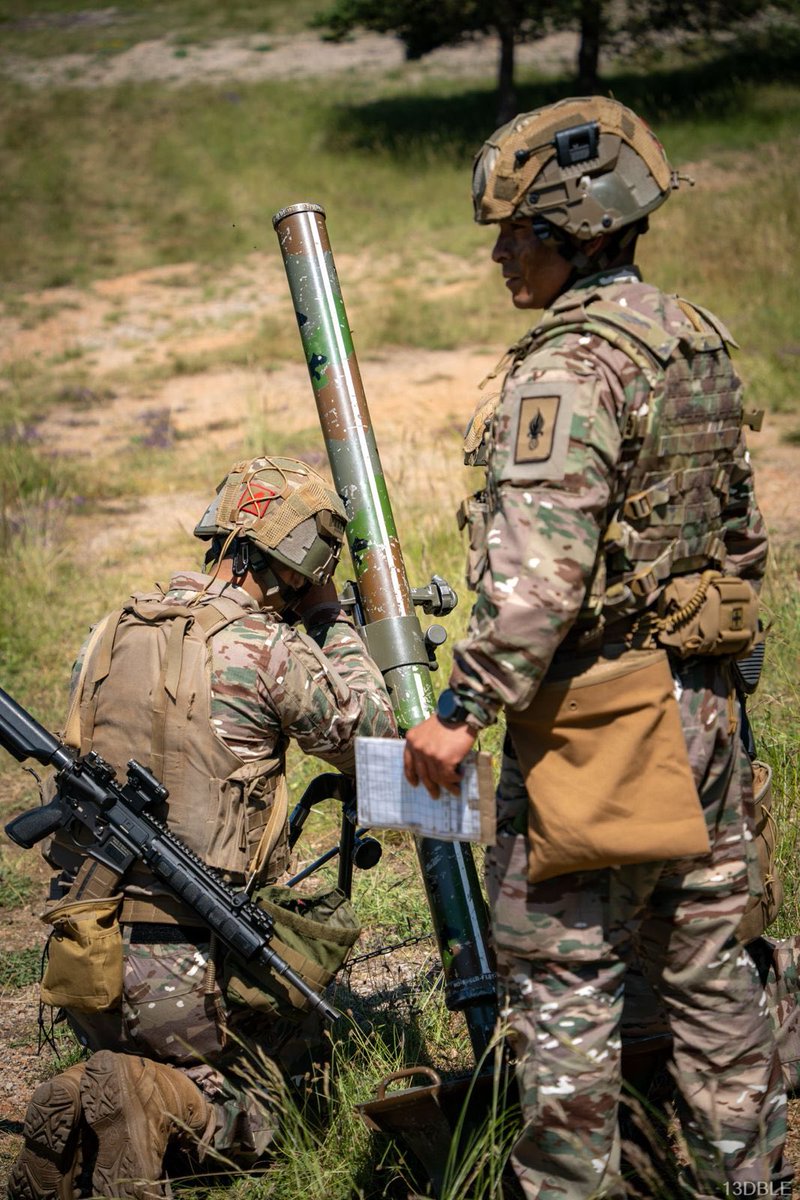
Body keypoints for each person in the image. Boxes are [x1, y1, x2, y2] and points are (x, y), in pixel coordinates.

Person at [404, 97, 790, 1198]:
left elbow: (537, 584)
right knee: (713, 984)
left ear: (575, 232)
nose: (496, 256)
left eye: (513, 234)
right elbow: (736, 536)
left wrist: (457, 712)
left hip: (596, 729)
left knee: (564, 993)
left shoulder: (566, 369)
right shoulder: (690, 337)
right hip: (704, 709)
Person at [10, 454, 396, 1199]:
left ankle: (92, 1098)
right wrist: (331, 619)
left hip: (86, 949)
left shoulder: (113, 626)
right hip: (191, 970)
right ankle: (167, 1100)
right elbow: (374, 738)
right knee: (270, 1115)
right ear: (298, 563)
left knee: (138, 1065)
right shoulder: (269, 650)